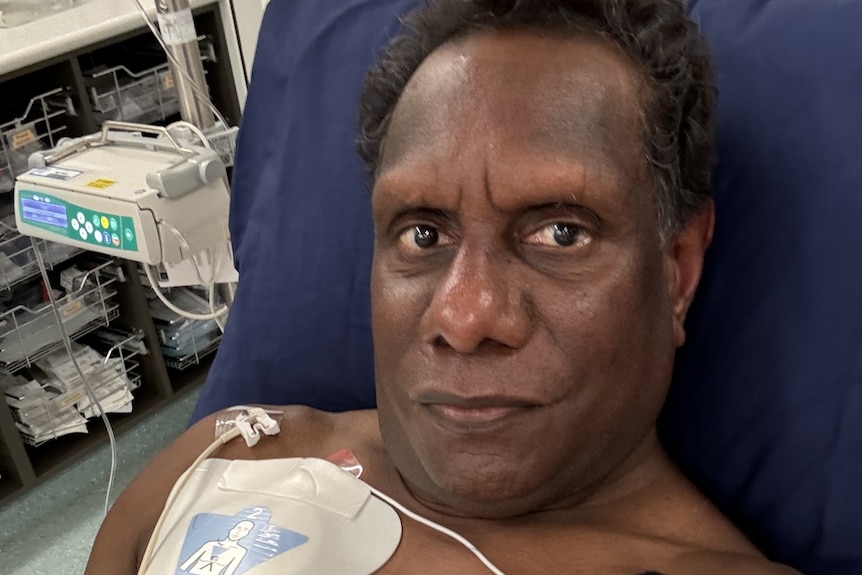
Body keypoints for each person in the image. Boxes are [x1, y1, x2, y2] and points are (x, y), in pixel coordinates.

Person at [86, 1, 800, 573]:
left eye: (560, 233)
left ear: (676, 271)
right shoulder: (229, 455)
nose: (464, 316)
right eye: (424, 234)